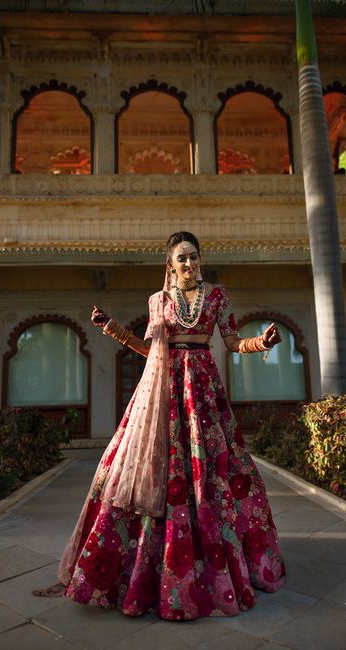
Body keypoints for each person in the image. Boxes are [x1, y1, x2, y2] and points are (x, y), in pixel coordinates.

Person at [33, 231, 286, 620]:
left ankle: (219, 558)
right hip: (163, 394)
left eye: (194, 257)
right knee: (149, 471)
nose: (189, 264)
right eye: (182, 258)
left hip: (203, 394)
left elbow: (233, 342)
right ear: (169, 264)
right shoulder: (159, 301)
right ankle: (146, 568)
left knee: (215, 471)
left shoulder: (218, 296)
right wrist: (113, 328)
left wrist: (261, 342)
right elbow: (150, 350)